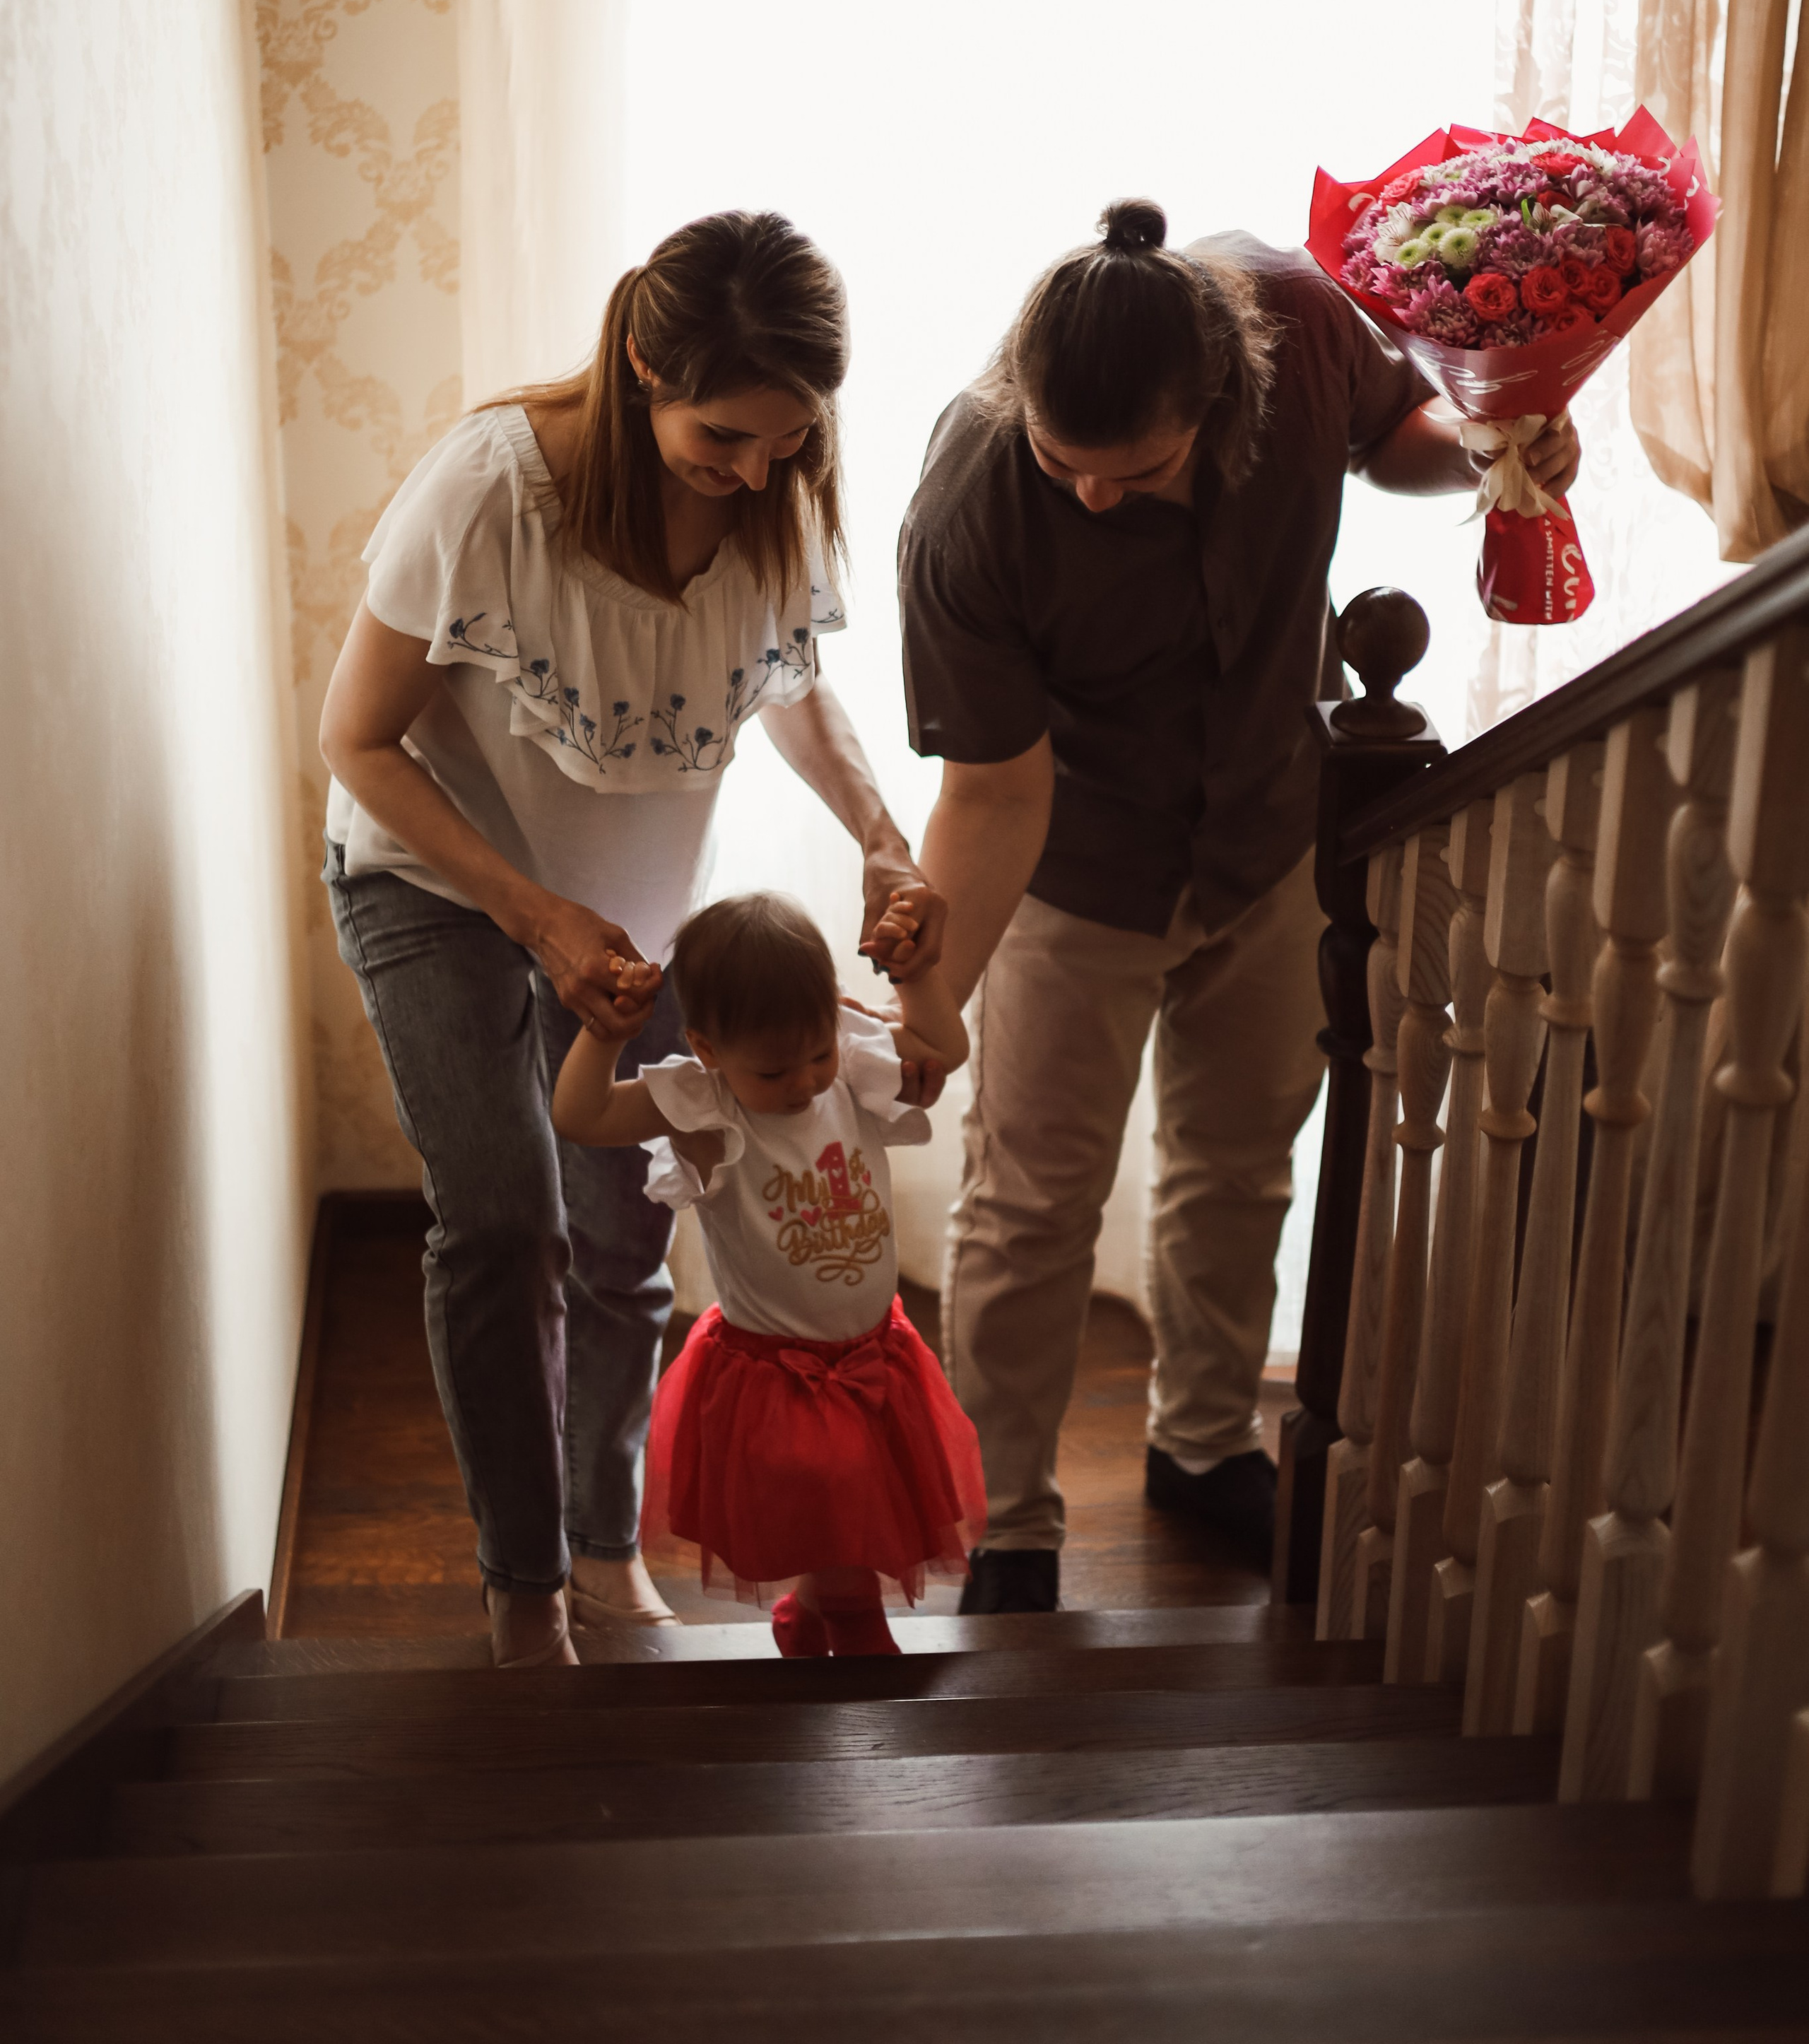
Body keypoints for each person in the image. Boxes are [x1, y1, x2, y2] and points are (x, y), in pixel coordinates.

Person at [899, 199, 1581, 1612]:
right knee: (1028, 1208)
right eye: (1057, 461)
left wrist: (1488, 442)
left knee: (1238, 1163)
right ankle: (1007, 1524)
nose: (1087, 494)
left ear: (1221, 403)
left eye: (1128, 470)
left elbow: (1394, 435)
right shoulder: (967, 501)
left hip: (1272, 837)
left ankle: (1201, 1447)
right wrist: (920, 1012)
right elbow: (991, 798)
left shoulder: (1296, 318)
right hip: (1070, 873)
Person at [319, 211, 939, 1670]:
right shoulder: (487, 492)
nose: (757, 470)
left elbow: (785, 683)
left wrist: (882, 837)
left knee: (624, 1235)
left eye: (787, 441)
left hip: (631, 916)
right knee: (502, 1221)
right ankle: (521, 1580)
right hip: (438, 883)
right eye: (722, 436)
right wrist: (529, 913)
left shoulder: (774, 487)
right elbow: (358, 739)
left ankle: (605, 1555)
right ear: (641, 367)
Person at [550, 890, 984, 1657]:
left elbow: (941, 1049)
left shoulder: (847, 1071)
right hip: (775, 1377)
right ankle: (849, 1627)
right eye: (776, 1069)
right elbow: (580, 1118)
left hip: (875, 1357)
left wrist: (915, 976)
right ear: (709, 1048)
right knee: (839, 1518)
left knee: (845, 1518)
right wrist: (603, 1034)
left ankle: (812, 1611)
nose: (805, 1082)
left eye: (817, 1052)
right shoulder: (706, 1107)